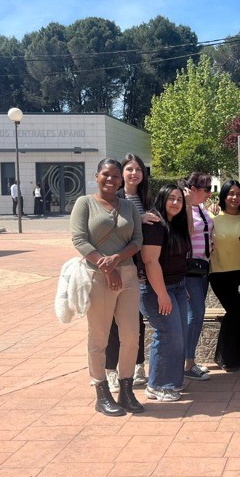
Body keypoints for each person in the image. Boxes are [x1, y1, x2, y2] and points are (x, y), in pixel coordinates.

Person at [70, 158, 144, 416]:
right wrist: (107, 267)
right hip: (98, 277)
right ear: (96, 176)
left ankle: (126, 389)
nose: (111, 180)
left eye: (115, 176)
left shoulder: (128, 206)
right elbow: (79, 239)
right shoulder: (85, 203)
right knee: (99, 337)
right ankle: (101, 392)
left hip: (128, 276)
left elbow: (137, 239)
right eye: (106, 175)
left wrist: (118, 260)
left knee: (131, 336)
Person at [105, 154, 157, 393]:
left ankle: (138, 366)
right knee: (114, 324)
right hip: (116, 267)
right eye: (129, 169)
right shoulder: (112, 200)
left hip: (142, 269)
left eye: (138, 169)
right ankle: (110, 372)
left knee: (136, 322)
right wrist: (140, 218)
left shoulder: (147, 200)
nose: (134, 173)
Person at [139, 184, 191, 402]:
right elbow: (150, 261)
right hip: (156, 289)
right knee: (167, 335)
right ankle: (157, 385)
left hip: (177, 287)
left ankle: (171, 382)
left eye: (180, 199)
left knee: (178, 336)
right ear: (162, 199)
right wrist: (162, 294)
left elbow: (178, 259)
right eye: (171, 198)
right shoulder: (155, 225)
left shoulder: (175, 225)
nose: (176, 203)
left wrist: (182, 288)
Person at [209, 180, 240, 371]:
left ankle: (234, 357)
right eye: (230, 193)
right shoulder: (212, 216)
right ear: (224, 196)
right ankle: (226, 356)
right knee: (234, 312)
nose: (234, 197)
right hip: (219, 273)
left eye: (238, 194)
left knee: (236, 314)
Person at [183, 172, 215, 381]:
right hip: (188, 270)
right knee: (194, 315)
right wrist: (185, 205)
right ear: (192, 190)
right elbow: (186, 232)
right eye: (206, 189)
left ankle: (189, 361)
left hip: (202, 268)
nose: (210, 193)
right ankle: (186, 363)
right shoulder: (183, 209)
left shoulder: (201, 208)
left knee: (197, 315)